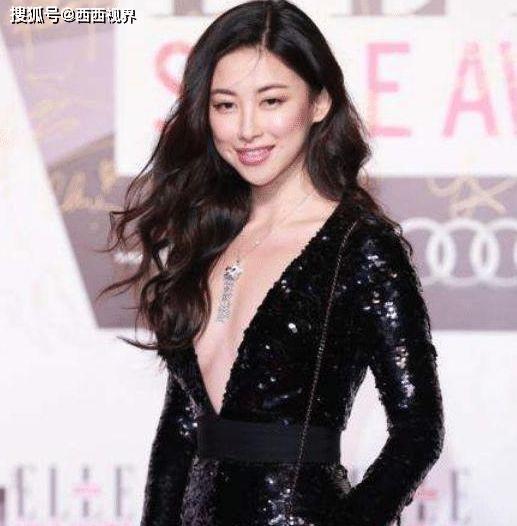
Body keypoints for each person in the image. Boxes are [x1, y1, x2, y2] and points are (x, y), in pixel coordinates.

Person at [99, 1, 445, 525]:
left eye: (271, 101)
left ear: (320, 102)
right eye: (225, 105)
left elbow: (418, 431)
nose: (247, 129)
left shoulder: (360, 248)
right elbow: (180, 432)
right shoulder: (205, 237)